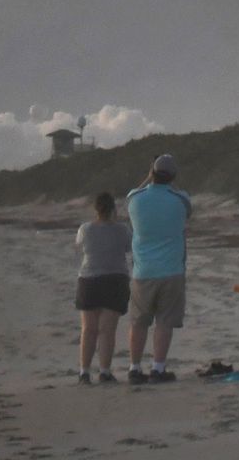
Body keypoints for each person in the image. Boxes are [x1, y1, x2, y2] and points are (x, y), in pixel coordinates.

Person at [123, 154, 191, 384]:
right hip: (172, 270)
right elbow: (185, 203)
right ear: (173, 176)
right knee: (164, 322)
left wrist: (149, 176)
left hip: (143, 271)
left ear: (151, 173)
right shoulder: (180, 199)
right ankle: (158, 368)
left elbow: (134, 194)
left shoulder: (134, 198)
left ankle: (134, 367)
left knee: (139, 321)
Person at [73, 190, 132, 384]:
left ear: (95, 209)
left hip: (89, 280)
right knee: (107, 330)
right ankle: (105, 371)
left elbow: (79, 246)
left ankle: (84, 372)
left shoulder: (86, 228)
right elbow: (127, 248)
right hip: (114, 279)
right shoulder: (122, 229)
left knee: (88, 329)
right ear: (113, 209)